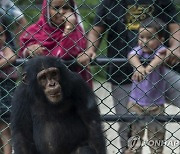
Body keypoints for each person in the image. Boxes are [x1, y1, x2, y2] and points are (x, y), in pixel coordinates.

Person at [77, 0, 180, 153]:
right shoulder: (110, 2)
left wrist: (175, 47)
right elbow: (96, 30)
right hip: (123, 72)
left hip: (160, 70)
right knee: (128, 127)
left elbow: (174, 27)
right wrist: (90, 49)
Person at [18, 0, 92, 87]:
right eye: (56, 8)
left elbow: (66, 54)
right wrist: (29, 50)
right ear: (47, 9)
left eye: (65, 7)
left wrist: (69, 28)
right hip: (43, 87)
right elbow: (21, 53)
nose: (61, 12)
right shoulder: (34, 31)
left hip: (72, 85)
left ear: (72, 10)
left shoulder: (77, 31)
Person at [126, 17, 167, 154]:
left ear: (161, 39)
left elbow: (160, 58)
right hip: (136, 103)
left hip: (156, 104)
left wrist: (147, 68)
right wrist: (138, 68)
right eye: (141, 37)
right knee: (135, 138)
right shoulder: (139, 51)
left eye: (150, 38)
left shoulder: (161, 50)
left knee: (156, 140)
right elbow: (131, 56)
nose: (144, 41)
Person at [0, 18, 17, 154]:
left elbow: (11, 57)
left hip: (5, 88)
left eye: (1, 34)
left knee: (5, 126)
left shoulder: (5, 48)